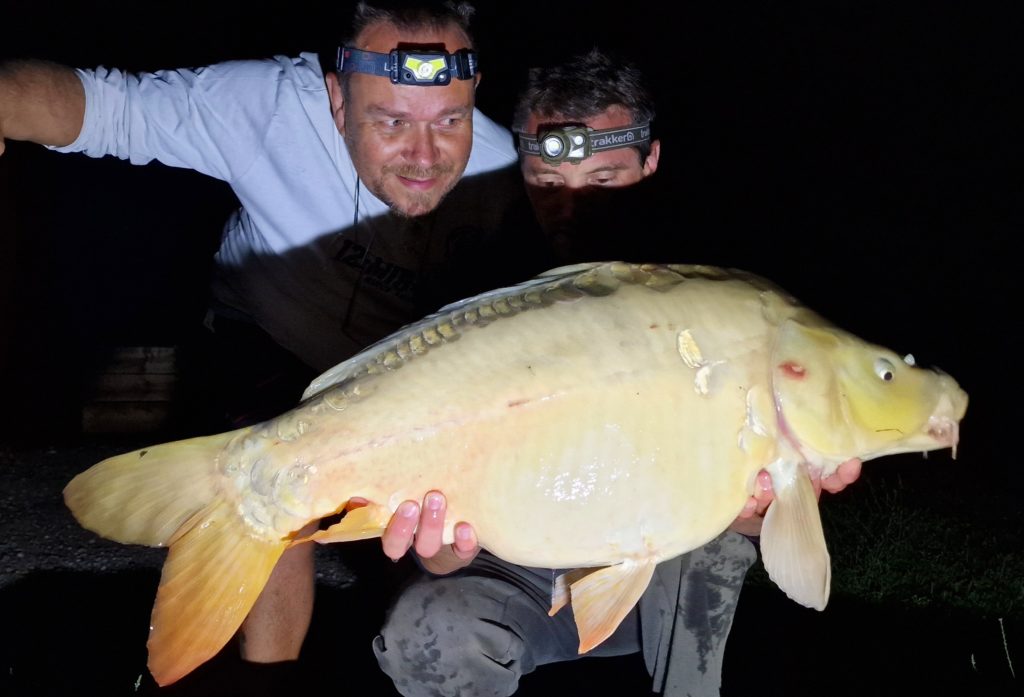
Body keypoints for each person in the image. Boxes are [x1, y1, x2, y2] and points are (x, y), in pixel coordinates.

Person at [0, 0, 522, 684]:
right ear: (338, 99)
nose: (425, 157)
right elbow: (106, 107)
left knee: (434, 528)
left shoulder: (506, 176)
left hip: (399, 369)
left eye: (450, 120)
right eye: (391, 121)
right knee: (274, 482)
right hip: (268, 333)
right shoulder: (268, 106)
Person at [371, 49, 864, 697]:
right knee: (424, 629)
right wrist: (438, 544)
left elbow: (753, 513)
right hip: (523, 572)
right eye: (548, 181)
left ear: (650, 160)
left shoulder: (717, 291)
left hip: (659, 582)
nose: (573, 206)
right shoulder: (475, 291)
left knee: (712, 548)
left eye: (603, 180)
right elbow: (437, 551)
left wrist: (762, 504)